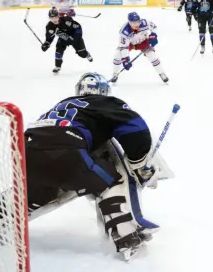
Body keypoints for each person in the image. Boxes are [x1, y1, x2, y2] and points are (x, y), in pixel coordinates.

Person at [25, 72, 161, 260]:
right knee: (113, 178)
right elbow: (135, 128)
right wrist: (139, 164)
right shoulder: (105, 103)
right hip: (68, 152)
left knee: (30, 193)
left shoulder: (64, 104)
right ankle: (127, 235)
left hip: (25, 153)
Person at [112, 12, 168, 84]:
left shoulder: (145, 23)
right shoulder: (124, 31)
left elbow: (154, 27)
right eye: (133, 23)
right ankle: (115, 74)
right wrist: (125, 59)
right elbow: (124, 47)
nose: (136, 25)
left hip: (144, 42)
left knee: (153, 56)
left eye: (137, 22)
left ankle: (161, 73)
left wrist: (153, 35)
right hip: (130, 44)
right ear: (129, 22)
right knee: (117, 55)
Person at [41, 8, 93, 73]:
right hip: (63, 38)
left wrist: (76, 38)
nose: (54, 20)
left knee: (82, 54)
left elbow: (78, 27)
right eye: (51, 18)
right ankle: (58, 66)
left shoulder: (66, 21)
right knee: (58, 50)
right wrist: (46, 44)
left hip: (74, 37)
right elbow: (49, 37)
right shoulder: (49, 26)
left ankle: (87, 55)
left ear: (58, 16)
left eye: (55, 17)